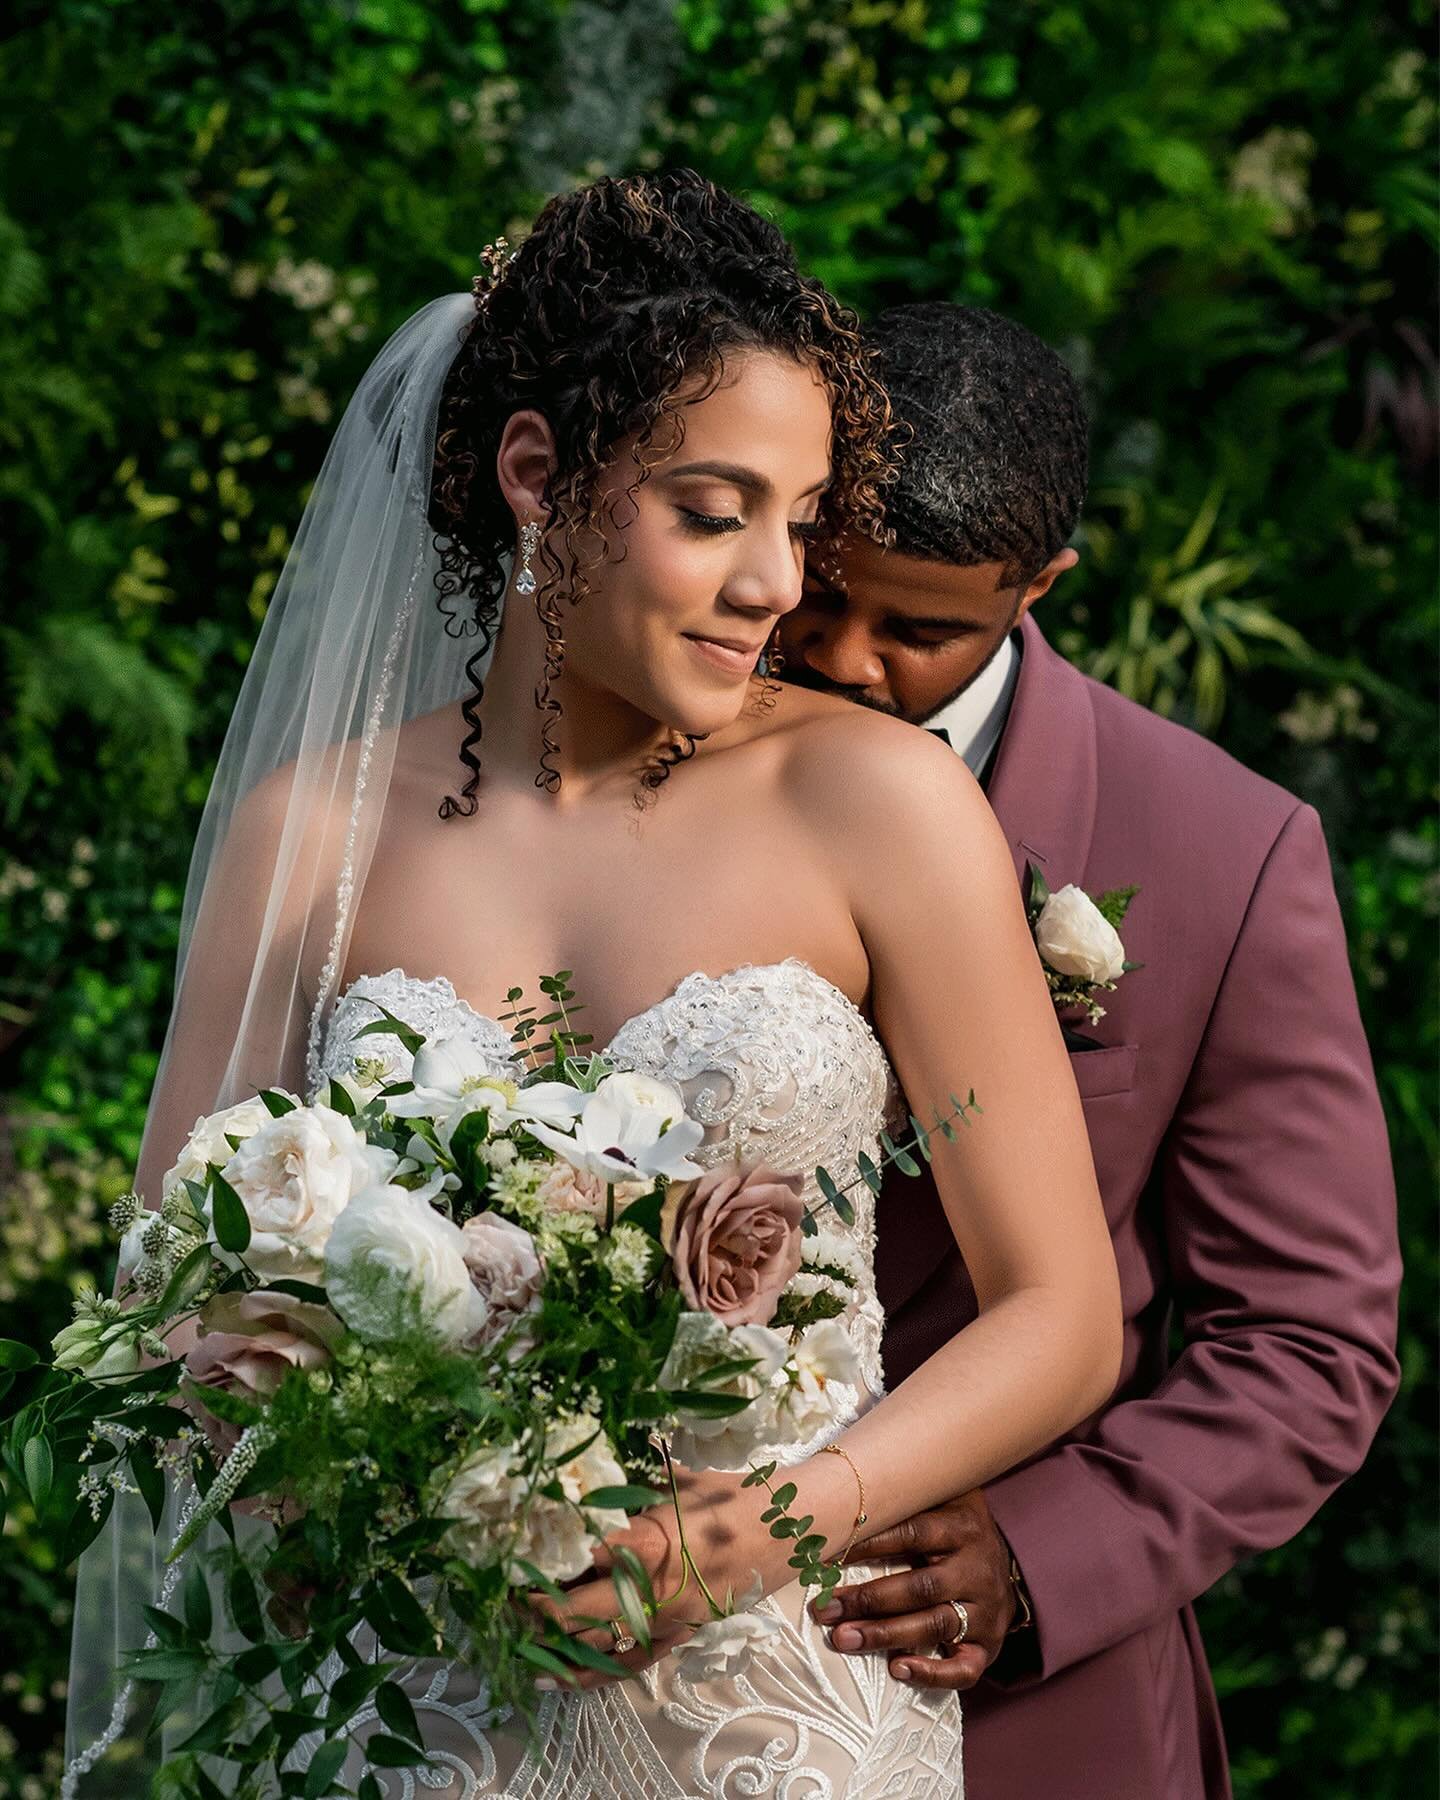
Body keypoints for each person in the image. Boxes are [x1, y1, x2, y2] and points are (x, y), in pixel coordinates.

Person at [65, 176, 1123, 1797]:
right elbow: (174, 1301)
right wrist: (361, 1456)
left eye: (800, 515)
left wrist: (774, 1523)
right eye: (717, 511)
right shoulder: (314, 837)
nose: (779, 582)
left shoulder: (882, 804)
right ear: (538, 474)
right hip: (407, 1701)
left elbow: (1061, 1314)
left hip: (779, 1700)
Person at [779, 302, 1403, 1800]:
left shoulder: (1225, 852)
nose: (847, 662)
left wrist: (1048, 1557)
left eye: (919, 629)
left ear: (1039, 584)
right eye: (821, 591)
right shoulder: (632, 766)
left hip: (1018, 1713)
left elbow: (1310, 1340)